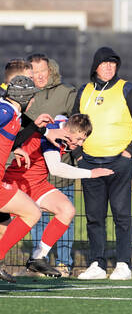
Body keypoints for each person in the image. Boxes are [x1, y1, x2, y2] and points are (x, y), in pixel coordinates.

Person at [73, 46, 132, 280]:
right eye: (104, 63)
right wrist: (78, 155)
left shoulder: (127, 89)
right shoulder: (84, 91)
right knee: (94, 216)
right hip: (89, 164)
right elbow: (72, 126)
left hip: (119, 163)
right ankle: (97, 264)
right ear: (95, 66)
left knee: (121, 215)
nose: (108, 67)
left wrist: (127, 153)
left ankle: (123, 264)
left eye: (113, 63)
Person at [4, 113, 114, 277]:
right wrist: (91, 173)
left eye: (83, 140)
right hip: (19, 182)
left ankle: (37, 258)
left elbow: (60, 116)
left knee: (67, 210)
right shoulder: (55, 136)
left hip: (38, 183)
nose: (80, 144)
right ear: (69, 131)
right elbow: (56, 168)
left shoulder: (62, 125)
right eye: (79, 139)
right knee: (4, 231)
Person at [25, 53, 77, 276]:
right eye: (35, 72)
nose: (39, 76)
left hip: (60, 166)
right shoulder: (25, 95)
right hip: (33, 170)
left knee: (64, 214)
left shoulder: (67, 93)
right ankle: (39, 262)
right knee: (35, 217)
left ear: (51, 70)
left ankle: (64, 263)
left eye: (43, 71)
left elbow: (78, 122)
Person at [0, 75, 43, 283]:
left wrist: (16, 148)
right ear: (23, 97)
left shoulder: (13, 114)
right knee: (32, 212)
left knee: (10, 221)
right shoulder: (6, 111)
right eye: (32, 96)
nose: (33, 101)